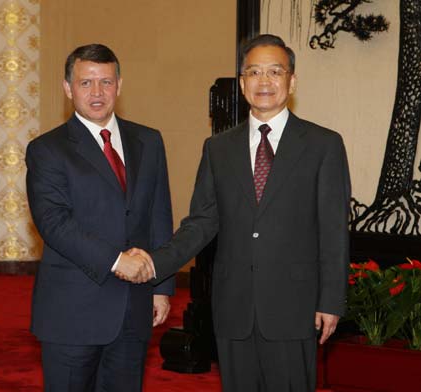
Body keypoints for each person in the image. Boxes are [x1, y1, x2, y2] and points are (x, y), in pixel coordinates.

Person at [121, 34, 351, 392]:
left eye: (275, 71)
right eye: (254, 72)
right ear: (243, 83)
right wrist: (155, 263)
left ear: (292, 81)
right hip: (233, 308)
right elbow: (201, 222)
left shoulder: (324, 145)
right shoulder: (218, 149)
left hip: (294, 307)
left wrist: (331, 300)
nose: (264, 81)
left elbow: (334, 230)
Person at [25, 43, 174, 392]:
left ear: (119, 86)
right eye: (86, 83)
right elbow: (54, 223)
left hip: (134, 309)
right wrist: (116, 260)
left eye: (105, 82)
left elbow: (159, 215)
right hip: (72, 312)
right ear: (67, 88)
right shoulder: (47, 149)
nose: (97, 92)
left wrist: (162, 286)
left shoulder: (148, 141)